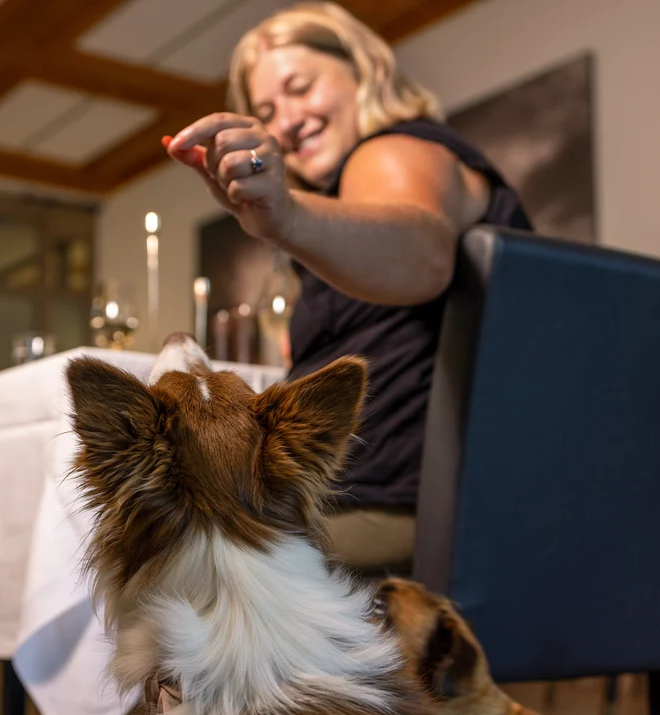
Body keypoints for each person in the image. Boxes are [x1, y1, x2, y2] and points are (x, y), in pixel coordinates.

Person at [165, 1, 533, 574]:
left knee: (142, 550)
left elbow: (424, 253)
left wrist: (287, 217)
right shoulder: (350, 197)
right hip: (384, 499)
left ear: (362, 68)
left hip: (389, 508)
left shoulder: (391, 150)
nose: (286, 120)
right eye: (265, 109)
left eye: (301, 87)